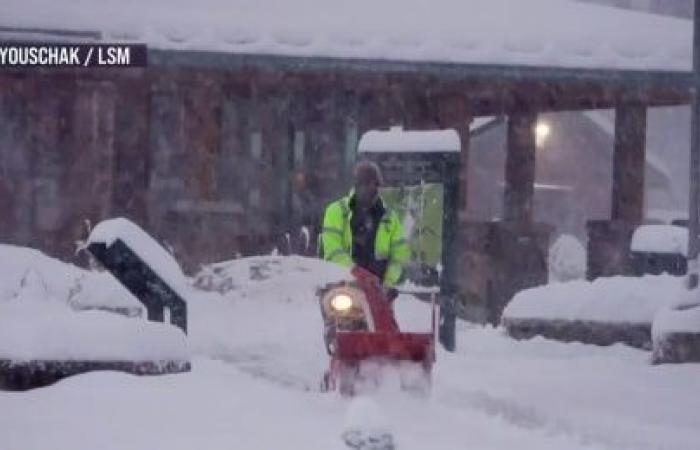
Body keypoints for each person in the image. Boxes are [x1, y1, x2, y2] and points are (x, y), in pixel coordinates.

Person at [320, 160, 410, 289]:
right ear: (356, 186)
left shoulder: (390, 218)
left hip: (378, 289)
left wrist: (387, 284)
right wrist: (355, 272)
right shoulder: (337, 211)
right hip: (342, 286)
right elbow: (332, 249)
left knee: (384, 310)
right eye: (366, 184)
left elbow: (400, 256)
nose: (371, 190)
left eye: (376, 185)